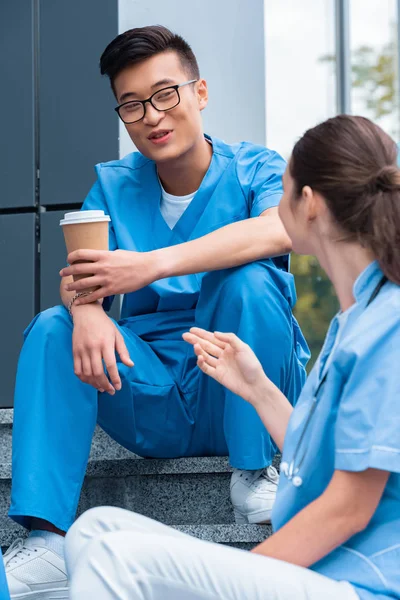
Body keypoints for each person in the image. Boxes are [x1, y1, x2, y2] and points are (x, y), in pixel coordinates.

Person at [3, 25, 308, 598]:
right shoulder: (114, 186)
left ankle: (253, 473)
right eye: (132, 104)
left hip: (241, 391)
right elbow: (81, 274)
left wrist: (150, 266)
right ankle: (46, 542)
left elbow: (278, 230)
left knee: (249, 280)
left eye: (165, 93)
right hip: (154, 393)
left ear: (200, 93)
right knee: (53, 327)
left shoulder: (257, 169)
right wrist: (88, 311)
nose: (151, 115)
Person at [64, 114, 400, 600]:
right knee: (97, 531)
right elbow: (320, 460)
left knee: (117, 558)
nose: (274, 207)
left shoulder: (386, 324)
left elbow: (348, 508)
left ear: (307, 204)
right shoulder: (354, 320)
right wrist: (259, 389)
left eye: (282, 191)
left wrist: (243, 572)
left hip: (358, 585)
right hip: (318, 576)